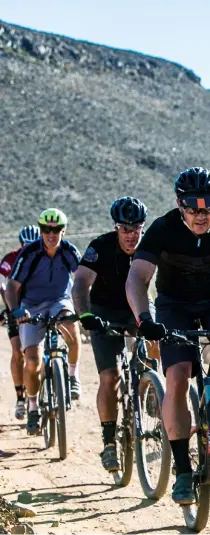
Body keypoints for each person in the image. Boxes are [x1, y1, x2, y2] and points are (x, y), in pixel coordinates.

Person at [126, 166, 210, 505]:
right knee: (177, 377)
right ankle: (184, 471)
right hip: (174, 306)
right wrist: (144, 319)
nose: (202, 215)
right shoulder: (163, 229)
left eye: (208, 207)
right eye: (194, 208)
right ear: (180, 205)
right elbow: (136, 279)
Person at [72, 196, 156, 472]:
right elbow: (81, 282)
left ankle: (153, 387)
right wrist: (85, 315)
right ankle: (109, 442)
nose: (131, 235)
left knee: (157, 341)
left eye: (136, 229)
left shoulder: (150, 245)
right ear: (115, 227)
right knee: (110, 376)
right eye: (125, 229)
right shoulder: (100, 246)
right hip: (104, 311)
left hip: (138, 307)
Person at [5, 208, 82, 435]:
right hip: (31, 306)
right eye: (46, 230)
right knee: (31, 362)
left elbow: (83, 278)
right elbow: (12, 286)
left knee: (71, 327)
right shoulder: (29, 253)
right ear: (40, 230)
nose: (51, 234)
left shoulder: (69, 251)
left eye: (56, 229)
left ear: (63, 230)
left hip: (60, 300)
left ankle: (72, 375)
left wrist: (85, 306)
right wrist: (16, 309)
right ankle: (32, 406)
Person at [0, 225, 40, 420]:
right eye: (26, 245)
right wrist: (8, 307)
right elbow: (1, 281)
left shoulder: (44, 255)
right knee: (18, 352)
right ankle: (20, 398)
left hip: (38, 307)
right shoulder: (11, 259)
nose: (29, 248)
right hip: (16, 309)